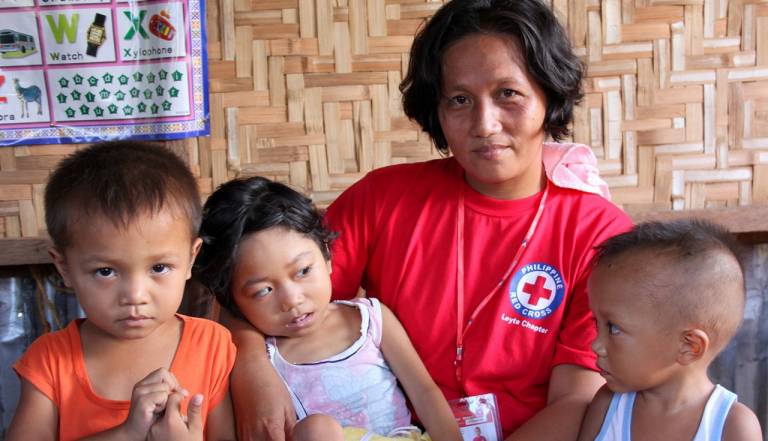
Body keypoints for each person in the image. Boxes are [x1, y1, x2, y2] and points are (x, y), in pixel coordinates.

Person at [228, 0, 634, 439]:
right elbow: (257, 294)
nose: (484, 123)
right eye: (459, 100)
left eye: (508, 93)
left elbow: (576, 400)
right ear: (436, 112)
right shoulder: (383, 199)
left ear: (548, 94)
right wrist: (250, 367)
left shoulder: (598, 232)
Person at [193, 176, 462, 441]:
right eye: (263, 290)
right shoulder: (259, 359)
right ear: (233, 302)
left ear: (327, 256)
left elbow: (424, 392)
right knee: (317, 430)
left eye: (303, 271)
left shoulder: (371, 319)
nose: (292, 300)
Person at [7, 141, 236, 441]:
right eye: (106, 271)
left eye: (159, 268)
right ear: (64, 267)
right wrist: (127, 433)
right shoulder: (49, 361)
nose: (135, 295)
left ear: (191, 258)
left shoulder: (212, 346)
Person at [577, 220, 762, 441]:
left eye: (614, 328)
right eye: (597, 323)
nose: (596, 345)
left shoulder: (731, 426)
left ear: (688, 346)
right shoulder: (608, 405)